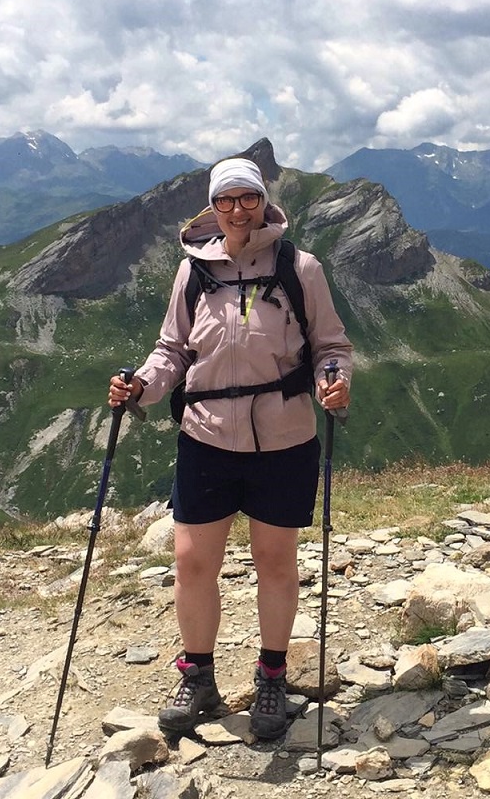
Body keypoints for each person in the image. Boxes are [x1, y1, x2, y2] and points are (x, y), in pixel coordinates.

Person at [107, 153, 352, 740]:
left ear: (264, 203)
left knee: (274, 560)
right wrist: (142, 386)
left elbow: (331, 344)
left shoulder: (301, 268)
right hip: (207, 434)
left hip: (285, 436)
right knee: (192, 562)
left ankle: (271, 676)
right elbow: (173, 351)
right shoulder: (192, 272)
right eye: (226, 200)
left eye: (248, 198)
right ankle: (199, 678)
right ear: (212, 209)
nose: (238, 210)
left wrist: (333, 381)